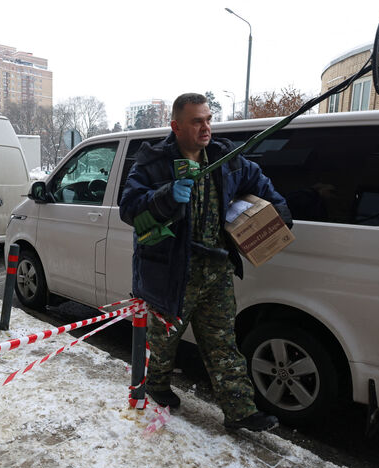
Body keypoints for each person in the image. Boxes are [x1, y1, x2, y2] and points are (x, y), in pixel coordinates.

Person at [119, 93, 293, 432]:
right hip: (170, 271)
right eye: (197, 121)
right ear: (177, 126)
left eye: (208, 119)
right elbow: (129, 208)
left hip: (216, 268)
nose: (206, 127)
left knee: (222, 340)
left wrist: (280, 217)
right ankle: (155, 385)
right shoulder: (153, 162)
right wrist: (166, 195)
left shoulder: (227, 159)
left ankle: (240, 411)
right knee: (163, 341)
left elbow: (263, 187)